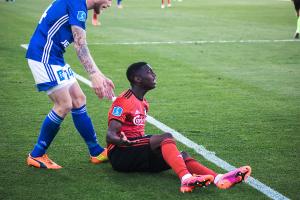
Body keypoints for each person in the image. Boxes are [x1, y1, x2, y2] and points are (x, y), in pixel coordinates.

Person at [106, 62, 252, 193]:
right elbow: (110, 135)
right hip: (121, 153)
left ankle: (219, 179)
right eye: (150, 72)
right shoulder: (123, 101)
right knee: (166, 137)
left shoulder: (144, 102)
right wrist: (122, 141)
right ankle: (186, 178)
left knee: (181, 156)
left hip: (136, 152)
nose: (154, 74)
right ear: (137, 79)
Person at [25, 0, 115, 169]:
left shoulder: (77, 3)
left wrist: (99, 75)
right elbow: (80, 44)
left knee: (78, 99)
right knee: (64, 104)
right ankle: (36, 155)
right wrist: (93, 75)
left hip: (54, 56)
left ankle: (95, 151)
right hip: (44, 56)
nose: (110, 3)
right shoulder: (77, 5)